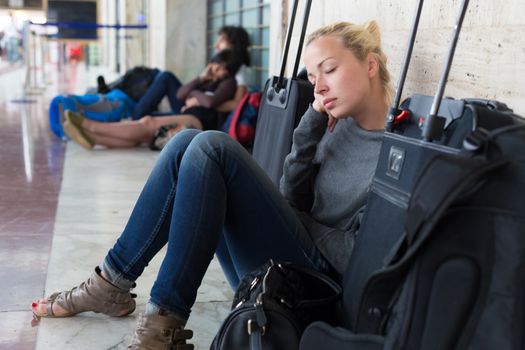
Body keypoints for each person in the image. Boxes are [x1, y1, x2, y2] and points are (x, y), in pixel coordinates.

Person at [31, 20, 393, 349]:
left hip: (310, 292)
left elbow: (353, 256)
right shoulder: (336, 123)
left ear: (370, 65)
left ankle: (161, 329)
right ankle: (111, 282)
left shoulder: (397, 154)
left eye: (329, 70)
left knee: (210, 147)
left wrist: (294, 218)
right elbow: (291, 196)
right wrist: (312, 121)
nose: (321, 88)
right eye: (314, 80)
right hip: (277, 273)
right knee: (183, 143)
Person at [63, 49, 239, 150]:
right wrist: (201, 78)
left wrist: (194, 98)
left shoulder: (229, 82)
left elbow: (210, 102)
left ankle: (90, 125)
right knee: (145, 135)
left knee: (147, 123)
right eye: (216, 64)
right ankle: (94, 138)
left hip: (201, 119)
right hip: (192, 114)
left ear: (229, 71)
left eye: (222, 68)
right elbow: (180, 94)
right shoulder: (208, 79)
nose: (217, 70)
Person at [130, 25, 251, 120]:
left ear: (234, 44)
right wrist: (199, 84)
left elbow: (237, 104)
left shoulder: (240, 69)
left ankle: (138, 115)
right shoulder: (218, 63)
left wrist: (201, 101)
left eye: (222, 41)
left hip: (204, 112)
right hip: (195, 103)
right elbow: (181, 94)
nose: (216, 45)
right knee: (165, 77)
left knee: (165, 79)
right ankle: (138, 115)